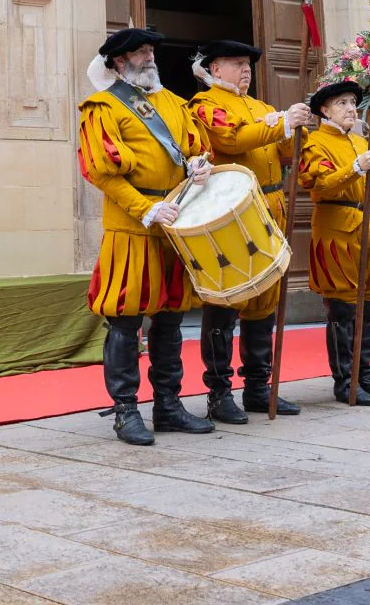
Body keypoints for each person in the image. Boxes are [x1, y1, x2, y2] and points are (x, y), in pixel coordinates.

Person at [78, 27, 217, 446]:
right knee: (125, 322)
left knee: (171, 320)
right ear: (119, 62)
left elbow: (197, 148)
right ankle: (125, 411)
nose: (149, 58)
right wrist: (146, 208)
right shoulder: (102, 106)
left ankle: (168, 405)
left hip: (174, 223)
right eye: (140, 52)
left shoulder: (175, 103)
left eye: (151, 50)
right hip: (134, 226)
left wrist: (199, 166)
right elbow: (100, 170)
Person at [187, 39, 313, 422]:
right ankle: (219, 392)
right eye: (237, 63)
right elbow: (233, 138)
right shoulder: (204, 104)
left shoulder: (260, 107)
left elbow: (284, 154)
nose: (246, 70)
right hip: (234, 212)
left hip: (271, 205)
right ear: (214, 68)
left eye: (248, 64)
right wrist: (279, 123)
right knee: (228, 299)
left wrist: (297, 131)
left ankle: (259, 387)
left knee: (265, 301)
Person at [300, 80, 370, 405]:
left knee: (367, 304)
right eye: (342, 103)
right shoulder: (314, 142)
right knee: (343, 309)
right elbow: (319, 185)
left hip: (368, 229)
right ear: (324, 110)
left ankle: (366, 375)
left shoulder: (360, 141)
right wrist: (355, 169)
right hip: (337, 232)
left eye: (351, 103)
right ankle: (345, 380)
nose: (349, 108)